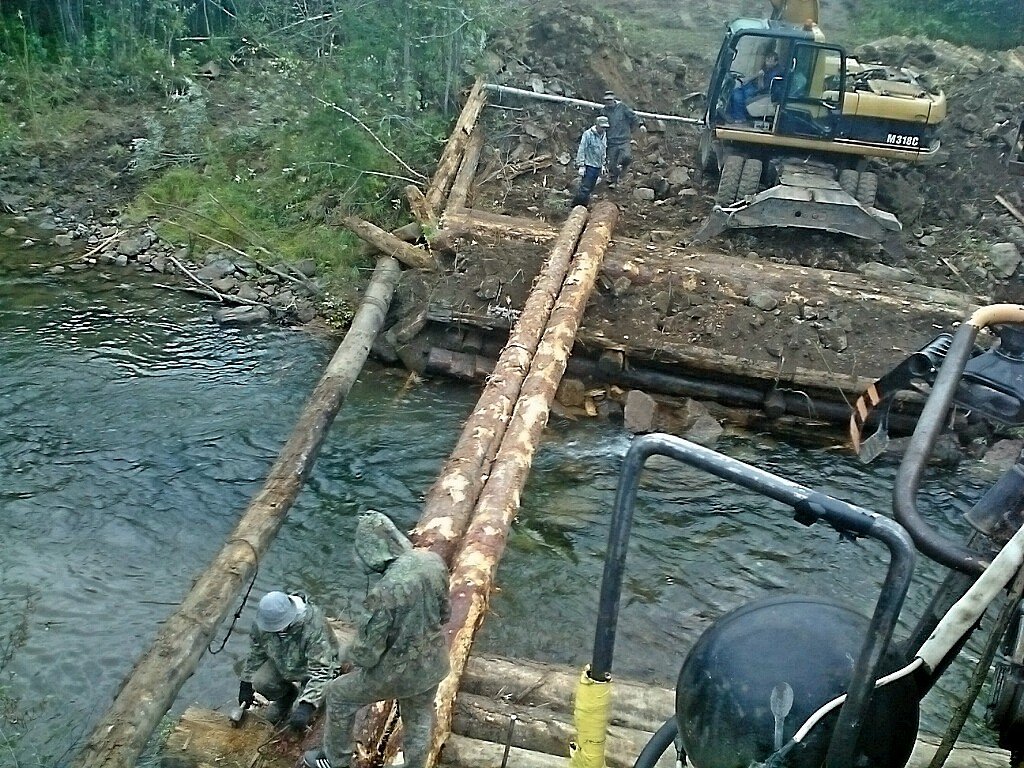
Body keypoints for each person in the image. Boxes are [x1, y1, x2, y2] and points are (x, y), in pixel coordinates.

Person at [304, 511, 451, 768]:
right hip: (433, 664)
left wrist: (344, 655)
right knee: (419, 717)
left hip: (396, 674)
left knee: (338, 694)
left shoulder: (385, 591)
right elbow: (445, 613)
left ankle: (335, 759)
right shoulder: (433, 562)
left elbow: (367, 654)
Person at [238, 590, 342, 729]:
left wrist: (307, 706)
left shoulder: (312, 625)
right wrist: (246, 681)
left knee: (297, 716)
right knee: (260, 682)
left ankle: (305, 701)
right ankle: (286, 697)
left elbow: (322, 671)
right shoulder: (262, 622)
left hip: (313, 670)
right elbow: (256, 651)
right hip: (284, 662)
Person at [600, 91, 646, 185]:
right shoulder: (603, 111)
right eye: (606, 100)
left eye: (610, 100)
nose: (608, 102)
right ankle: (613, 180)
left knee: (626, 156)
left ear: (613, 99)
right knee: (612, 163)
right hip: (611, 141)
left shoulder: (622, 107)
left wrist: (640, 124)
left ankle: (623, 168)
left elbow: (633, 116)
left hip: (624, 139)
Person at [728, 50, 783, 122]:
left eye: (770, 61)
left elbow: (762, 87)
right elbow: (757, 74)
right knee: (735, 91)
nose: (767, 62)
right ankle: (735, 114)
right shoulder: (768, 67)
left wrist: (760, 77)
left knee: (739, 96)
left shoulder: (775, 73)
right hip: (753, 86)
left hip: (762, 92)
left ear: (775, 62)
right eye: (767, 60)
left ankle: (740, 117)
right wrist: (746, 80)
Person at [572, 115, 609, 207]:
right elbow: (582, 149)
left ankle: (584, 206)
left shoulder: (604, 135)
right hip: (589, 165)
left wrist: (603, 164)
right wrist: (581, 165)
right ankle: (576, 205)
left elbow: (603, 150)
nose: (603, 129)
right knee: (585, 187)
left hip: (598, 166)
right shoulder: (588, 134)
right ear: (597, 125)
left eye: (605, 127)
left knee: (591, 188)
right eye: (602, 126)